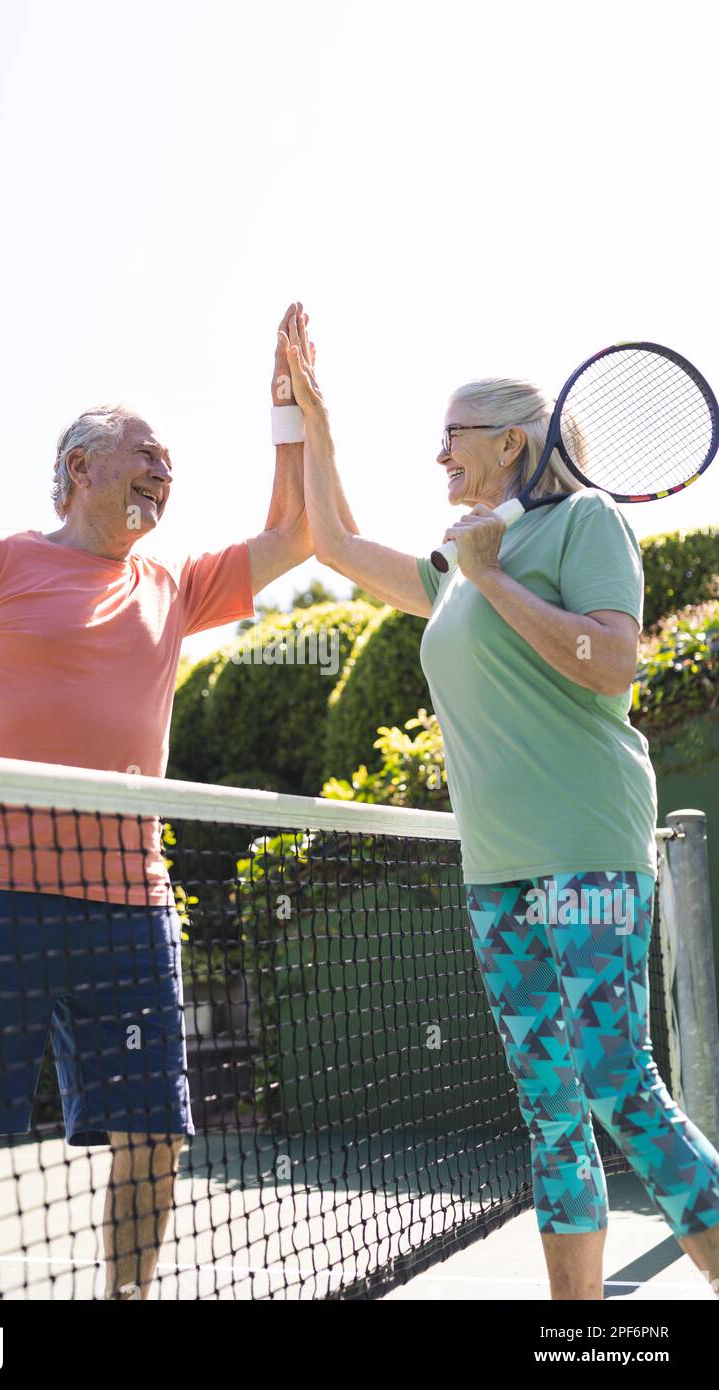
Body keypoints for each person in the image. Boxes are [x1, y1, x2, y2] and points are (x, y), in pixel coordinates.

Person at [0, 304, 312, 1299]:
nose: (165, 471)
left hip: (131, 908)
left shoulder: (175, 584)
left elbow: (297, 532)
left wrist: (291, 413)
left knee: (154, 1128)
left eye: (171, 462)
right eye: (147, 453)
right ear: (81, 469)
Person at [279, 308, 719, 1301]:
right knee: (552, 1108)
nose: (438, 454)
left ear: (511, 443)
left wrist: (488, 573)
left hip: (586, 847)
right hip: (498, 866)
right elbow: (337, 543)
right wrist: (314, 423)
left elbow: (611, 662)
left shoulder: (582, 524)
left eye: (453, 437)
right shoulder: (454, 571)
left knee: (618, 1084)